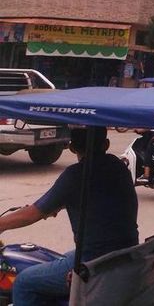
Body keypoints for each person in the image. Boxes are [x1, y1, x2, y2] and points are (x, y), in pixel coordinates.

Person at [0, 127, 139, 305]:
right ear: (106, 144)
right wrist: (57, 205)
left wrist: (2, 224)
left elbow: (33, 214)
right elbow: (100, 199)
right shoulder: (118, 167)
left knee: (23, 282)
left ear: (72, 148)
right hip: (124, 253)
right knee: (58, 258)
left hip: (94, 261)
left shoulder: (76, 175)